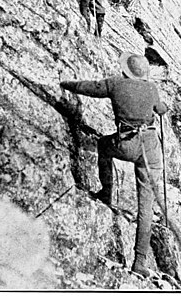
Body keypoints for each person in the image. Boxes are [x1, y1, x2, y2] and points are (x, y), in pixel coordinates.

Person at [60, 52, 168, 277]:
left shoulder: (116, 83)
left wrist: (65, 83)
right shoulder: (152, 89)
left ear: (125, 70)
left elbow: (89, 87)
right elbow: (160, 109)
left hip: (126, 144)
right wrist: (161, 108)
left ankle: (107, 192)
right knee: (145, 207)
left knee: (103, 145)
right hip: (150, 148)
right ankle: (139, 262)